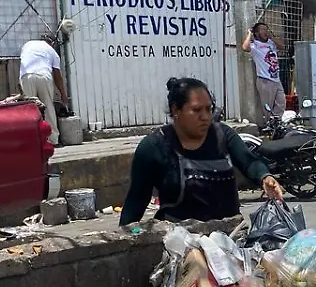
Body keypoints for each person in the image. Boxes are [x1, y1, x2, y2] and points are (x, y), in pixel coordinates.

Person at [119, 77, 284, 226]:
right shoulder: (154, 147)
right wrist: (125, 240)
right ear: (176, 110)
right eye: (197, 110)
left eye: (208, 109)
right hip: (179, 241)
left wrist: (265, 177)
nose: (206, 117)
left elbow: (249, 162)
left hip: (229, 236)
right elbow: (136, 200)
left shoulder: (223, 135)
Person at [19, 33, 67, 145]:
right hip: (43, 76)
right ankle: (53, 140)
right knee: (48, 107)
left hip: (26, 75)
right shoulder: (52, 52)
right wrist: (63, 94)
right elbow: (57, 75)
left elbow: (23, 61)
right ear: (52, 43)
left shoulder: (28, 45)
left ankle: (31, 141)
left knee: (29, 109)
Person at [241, 23, 284, 127]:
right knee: (267, 106)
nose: (265, 31)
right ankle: (270, 126)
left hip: (276, 79)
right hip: (265, 80)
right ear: (257, 33)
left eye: (266, 29)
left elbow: (282, 47)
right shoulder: (255, 45)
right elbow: (244, 47)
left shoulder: (271, 43)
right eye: (262, 30)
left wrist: (272, 38)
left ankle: (276, 122)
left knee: (281, 103)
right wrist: (249, 34)